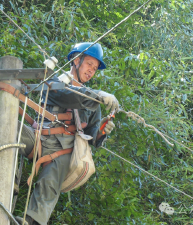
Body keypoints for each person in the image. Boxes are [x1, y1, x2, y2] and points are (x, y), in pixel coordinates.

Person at [17, 42, 119, 225]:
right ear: (76, 60)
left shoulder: (93, 105)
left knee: (49, 184)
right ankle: (9, 186)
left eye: (95, 69)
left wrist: (102, 130)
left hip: (64, 149)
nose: (91, 71)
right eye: (89, 64)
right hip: (40, 137)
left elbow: (93, 135)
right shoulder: (55, 81)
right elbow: (70, 95)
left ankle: (30, 223)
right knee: (13, 128)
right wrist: (98, 95)